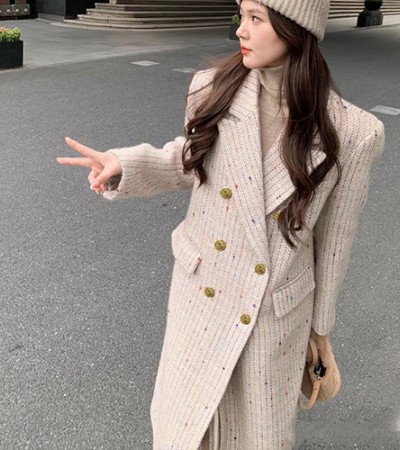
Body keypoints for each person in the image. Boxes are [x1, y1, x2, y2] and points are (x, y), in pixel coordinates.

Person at [57, 0, 385, 448]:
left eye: (256, 18)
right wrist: (125, 164)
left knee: (256, 436)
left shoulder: (352, 132)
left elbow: (334, 245)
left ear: (295, 27)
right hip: (202, 292)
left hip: (272, 315)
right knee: (184, 428)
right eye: (241, 15)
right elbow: (191, 160)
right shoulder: (212, 87)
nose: (240, 31)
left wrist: (319, 331)